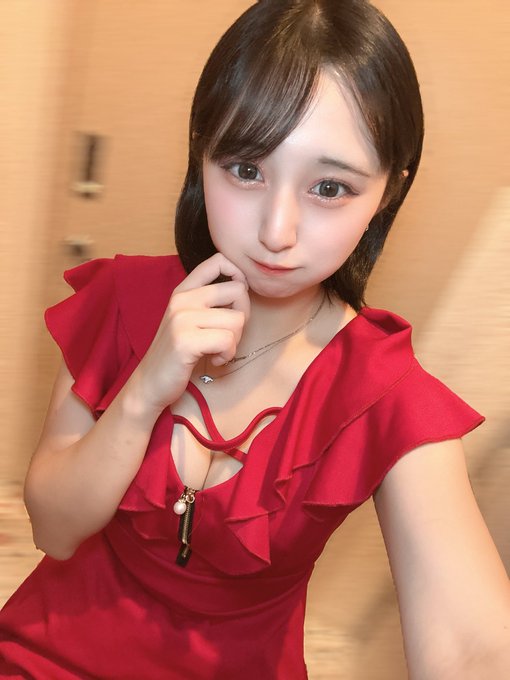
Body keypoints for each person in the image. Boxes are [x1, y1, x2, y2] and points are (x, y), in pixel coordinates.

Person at [1, 0, 509, 677]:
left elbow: (474, 647)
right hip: (50, 655)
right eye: (246, 169)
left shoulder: (383, 394)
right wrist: (143, 392)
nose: (277, 231)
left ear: (390, 190)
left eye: (329, 187)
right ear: (201, 152)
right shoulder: (119, 301)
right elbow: (55, 532)